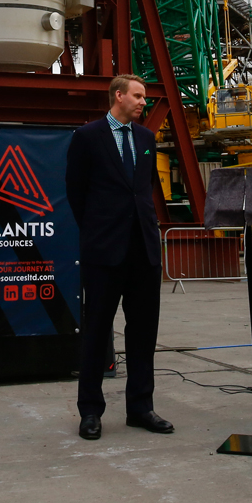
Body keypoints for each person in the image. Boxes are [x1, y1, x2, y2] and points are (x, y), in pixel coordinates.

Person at [65, 73, 173, 441]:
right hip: (104, 251)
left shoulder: (146, 138)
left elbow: (143, 191)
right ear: (118, 96)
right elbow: (75, 192)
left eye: (145, 97)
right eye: (139, 96)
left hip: (143, 249)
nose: (144, 102)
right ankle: (91, 412)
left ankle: (141, 408)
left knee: (143, 332)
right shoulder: (87, 136)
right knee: (96, 332)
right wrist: (97, 231)